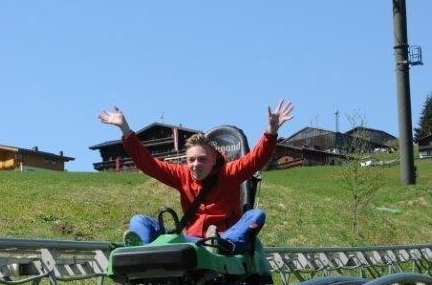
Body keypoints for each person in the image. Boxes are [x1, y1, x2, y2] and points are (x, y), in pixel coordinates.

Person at [97, 100, 294, 253]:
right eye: (191, 160)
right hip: (191, 241)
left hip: (222, 236)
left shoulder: (229, 173)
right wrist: (125, 130)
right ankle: (141, 253)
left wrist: (271, 132)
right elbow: (149, 164)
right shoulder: (182, 175)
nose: (195, 164)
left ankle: (222, 245)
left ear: (213, 159)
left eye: (202, 159)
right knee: (139, 221)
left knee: (256, 215)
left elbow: (255, 160)